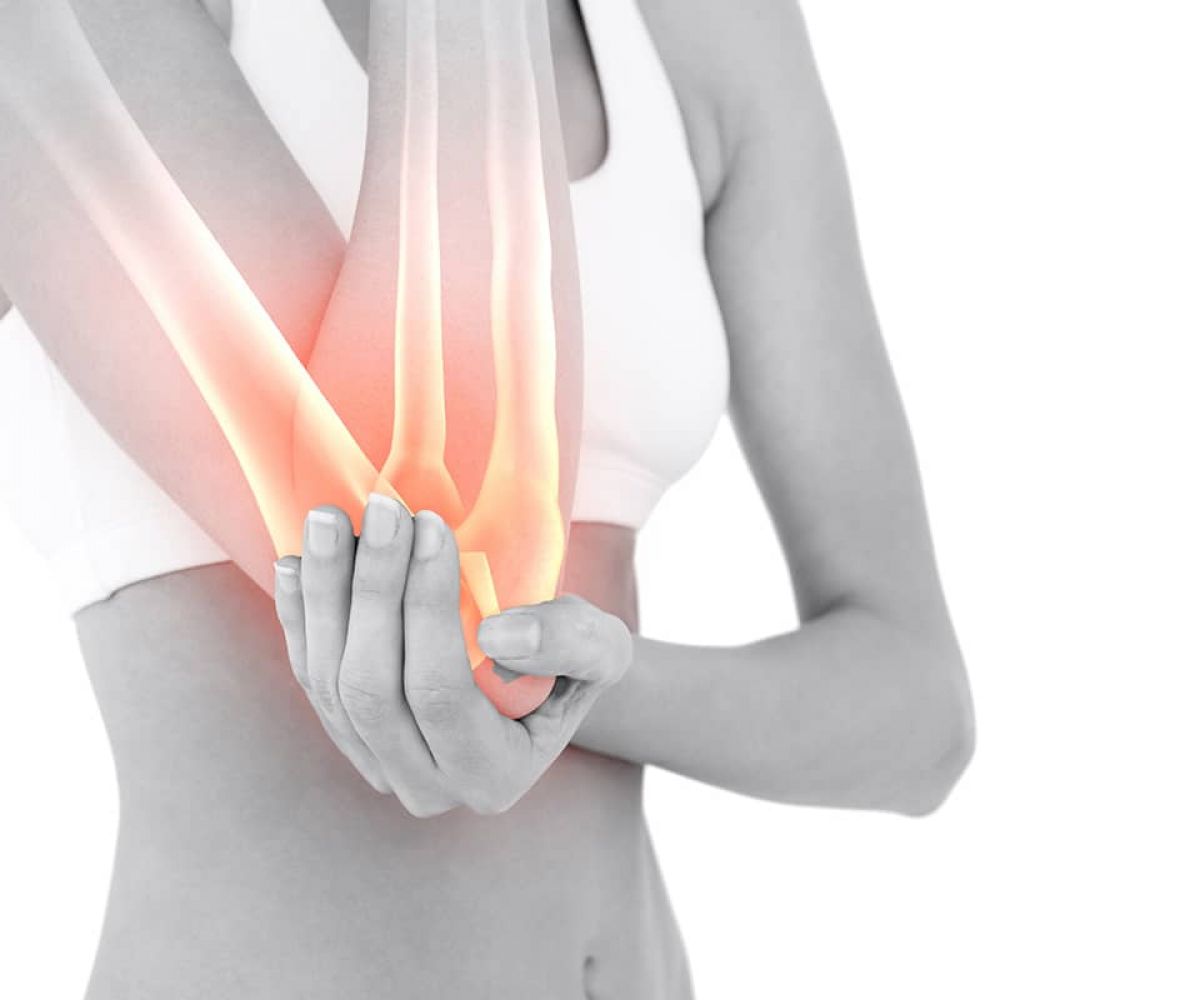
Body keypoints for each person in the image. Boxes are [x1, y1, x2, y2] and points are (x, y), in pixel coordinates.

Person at [0, 1, 975, 996]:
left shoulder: (705, 29)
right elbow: (435, 547)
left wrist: (592, 677)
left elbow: (920, 714)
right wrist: (538, 672)